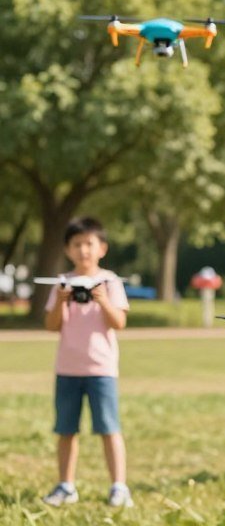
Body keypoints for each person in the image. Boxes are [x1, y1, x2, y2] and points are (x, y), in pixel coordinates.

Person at [42, 216, 132, 508]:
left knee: (109, 428)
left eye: (89, 244)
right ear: (67, 250)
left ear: (102, 248)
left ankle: (119, 486)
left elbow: (119, 322)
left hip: (102, 370)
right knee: (66, 430)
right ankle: (65, 485)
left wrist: (103, 299)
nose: (84, 250)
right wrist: (59, 299)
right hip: (67, 369)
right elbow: (52, 326)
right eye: (77, 244)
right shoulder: (62, 283)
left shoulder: (111, 281)